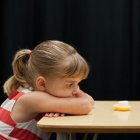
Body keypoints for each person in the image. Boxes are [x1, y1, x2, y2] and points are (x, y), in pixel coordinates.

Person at [0, 40, 94, 140]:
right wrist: (67, 106)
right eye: (70, 84)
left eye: (78, 83)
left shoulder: (33, 91)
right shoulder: (31, 98)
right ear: (42, 83)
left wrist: (61, 108)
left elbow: (89, 102)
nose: (76, 90)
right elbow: (86, 105)